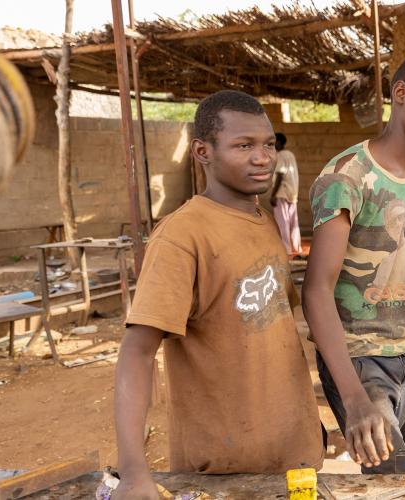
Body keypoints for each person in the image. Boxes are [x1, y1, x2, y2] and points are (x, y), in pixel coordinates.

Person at [113, 90, 323, 499]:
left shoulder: (263, 221)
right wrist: (133, 470)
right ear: (202, 151)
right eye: (243, 146)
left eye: (267, 144)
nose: (262, 157)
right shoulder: (182, 236)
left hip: (294, 459)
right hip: (221, 476)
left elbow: (277, 327)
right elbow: (136, 353)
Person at [303, 55, 405, 472]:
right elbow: (316, 290)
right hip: (357, 359)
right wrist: (353, 397)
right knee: (391, 475)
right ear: (402, 93)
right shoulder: (347, 177)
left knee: (396, 477)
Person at [270, 132, 303, 258]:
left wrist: (273, 194)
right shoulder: (290, 154)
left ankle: (287, 250)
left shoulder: (280, 155)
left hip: (281, 193)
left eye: (273, 142)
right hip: (292, 192)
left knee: (282, 222)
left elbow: (280, 175)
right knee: (293, 222)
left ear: (278, 142)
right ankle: (296, 248)